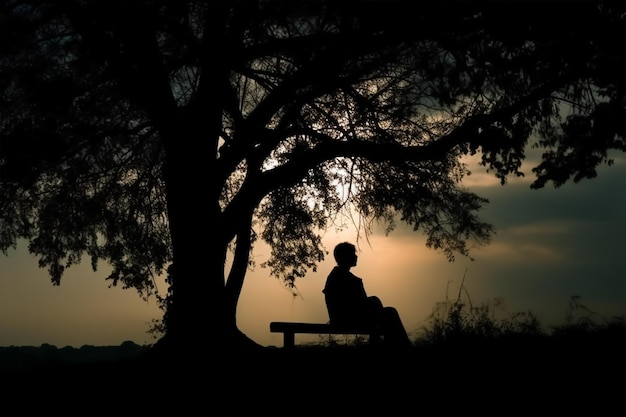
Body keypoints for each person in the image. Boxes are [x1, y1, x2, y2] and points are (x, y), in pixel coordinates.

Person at [322, 242, 411, 347]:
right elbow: (353, 304)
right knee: (389, 312)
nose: (356, 256)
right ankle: (403, 346)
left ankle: (394, 345)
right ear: (344, 256)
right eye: (353, 253)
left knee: (384, 310)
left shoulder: (339, 276)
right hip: (347, 319)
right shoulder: (342, 278)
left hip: (348, 317)